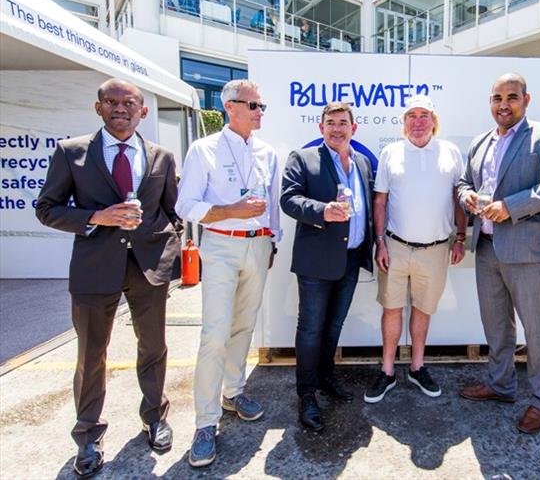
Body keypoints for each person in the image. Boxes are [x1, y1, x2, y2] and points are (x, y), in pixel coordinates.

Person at [36, 79, 182, 478]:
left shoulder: (162, 157)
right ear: (98, 107)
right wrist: (95, 218)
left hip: (148, 269)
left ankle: (155, 417)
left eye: (130, 102)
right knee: (91, 354)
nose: (122, 108)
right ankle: (88, 434)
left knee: (154, 347)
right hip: (94, 267)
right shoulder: (72, 153)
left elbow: (174, 211)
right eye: (112, 102)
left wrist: (168, 244)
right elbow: (46, 208)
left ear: (143, 111)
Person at [457, 73, 540, 434]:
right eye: (497, 98)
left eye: (511, 97)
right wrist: (467, 197)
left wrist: (511, 206)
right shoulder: (481, 142)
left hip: (529, 250)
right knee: (496, 324)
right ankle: (500, 384)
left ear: (526, 99)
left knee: (538, 329)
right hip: (488, 247)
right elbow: (465, 183)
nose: (503, 104)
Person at [176, 79, 281, 468]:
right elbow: (186, 205)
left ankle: (234, 391)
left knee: (244, 326)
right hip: (220, 244)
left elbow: (270, 203)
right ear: (230, 107)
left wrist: (273, 240)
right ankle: (205, 423)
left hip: (258, 244)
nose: (260, 112)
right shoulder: (203, 149)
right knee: (214, 333)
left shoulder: (268, 152)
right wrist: (231, 211)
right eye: (253, 106)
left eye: (261, 106)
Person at [364, 94, 466, 403]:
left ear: (434, 122)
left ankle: (417, 366)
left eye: (424, 115)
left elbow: (458, 197)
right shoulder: (390, 152)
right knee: (391, 307)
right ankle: (387, 371)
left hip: (436, 249)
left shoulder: (450, 152)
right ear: (404, 122)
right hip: (394, 247)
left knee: (423, 309)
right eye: (411, 116)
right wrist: (379, 241)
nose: (418, 121)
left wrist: (461, 237)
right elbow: (379, 200)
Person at [280, 102, 374, 432]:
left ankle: (326, 377)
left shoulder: (362, 162)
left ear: (354, 128)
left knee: (334, 325)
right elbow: (288, 199)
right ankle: (306, 395)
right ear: (321, 128)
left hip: (350, 258)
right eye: (330, 123)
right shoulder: (303, 159)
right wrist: (323, 210)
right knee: (311, 329)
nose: (337, 128)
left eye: (343, 123)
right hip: (316, 261)